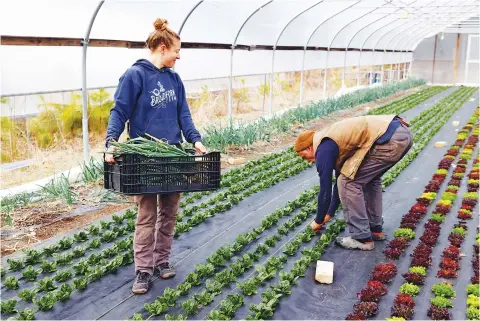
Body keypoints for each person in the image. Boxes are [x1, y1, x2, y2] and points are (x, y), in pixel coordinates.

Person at [104, 18, 207, 294]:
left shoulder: (174, 79)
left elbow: (183, 114)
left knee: (170, 213)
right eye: (176, 51)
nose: (179, 56)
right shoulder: (135, 75)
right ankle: (143, 269)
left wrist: (195, 140)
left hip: (172, 154)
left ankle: (162, 261)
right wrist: (111, 142)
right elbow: (119, 111)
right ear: (163, 47)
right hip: (144, 157)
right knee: (147, 214)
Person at [294, 115, 413, 251]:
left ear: (309, 147)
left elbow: (325, 190)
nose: (308, 161)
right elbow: (339, 181)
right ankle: (375, 229)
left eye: (305, 157)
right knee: (369, 180)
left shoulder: (323, 149)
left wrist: (318, 220)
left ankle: (361, 238)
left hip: (389, 140)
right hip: (401, 134)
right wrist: (330, 213)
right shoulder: (330, 141)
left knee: (349, 183)